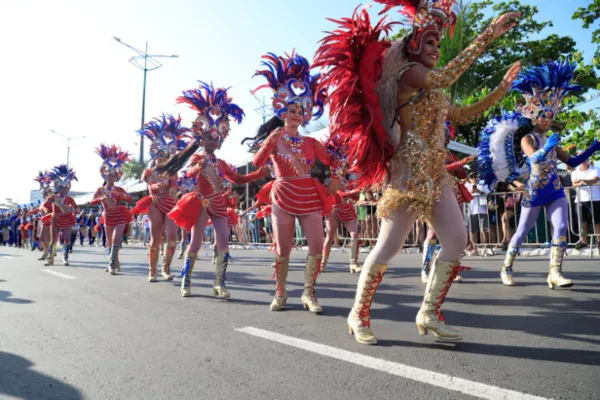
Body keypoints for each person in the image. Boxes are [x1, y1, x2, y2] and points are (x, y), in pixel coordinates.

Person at [314, 1, 520, 343]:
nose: (436, 49)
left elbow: (463, 114)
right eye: (430, 42)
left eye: (439, 44)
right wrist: (488, 35)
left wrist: (500, 91)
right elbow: (444, 75)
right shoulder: (408, 75)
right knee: (388, 246)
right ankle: (358, 313)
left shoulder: (434, 89)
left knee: (456, 240)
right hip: (408, 173)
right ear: (413, 44)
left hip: (436, 175)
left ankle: (429, 312)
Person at [478, 61, 600, 288]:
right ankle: (506, 267)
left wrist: (593, 147)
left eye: (550, 114)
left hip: (554, 189)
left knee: (562, 227)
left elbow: (571, 161)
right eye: (543, 114)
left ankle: (555, 273)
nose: (547, 118)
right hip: (535, 190)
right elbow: (533, 158)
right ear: (534, 116)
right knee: (522, 230)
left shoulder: (550, 139)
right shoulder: (529, 139)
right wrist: (545, 148)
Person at [241, 52, 341, 313]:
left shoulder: (311, 143)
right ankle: (281, 292)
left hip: (308, 195)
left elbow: (334, 160)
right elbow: (257, 163)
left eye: (300, 111)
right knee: (283, 249)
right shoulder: (275, 138)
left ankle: (309, 293)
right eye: (292, 110)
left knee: (317, 245)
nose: (296, 114)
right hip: (283, 194)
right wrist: (271, 142)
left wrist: (336, 177)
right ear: (282, 111)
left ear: (306, 114)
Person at [156, 81, 268, 298]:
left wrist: (258, 173)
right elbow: (187, 174)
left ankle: (219, 283)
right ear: (202, 138)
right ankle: (186, 281)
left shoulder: (221, 163)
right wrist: (199, 166)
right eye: (209, 137)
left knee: (224, 242)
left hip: (218, 205)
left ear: (220, 141)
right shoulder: (197, 158)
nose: (213, 141)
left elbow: (238, 177)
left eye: (217, 138)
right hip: (200, 204)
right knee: (196, 243)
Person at [131, 114, 189, 282]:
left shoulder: (172, 172)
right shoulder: (149, 172)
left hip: (170, 204)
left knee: (172, 235)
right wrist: (158, 186)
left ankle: (166, 268)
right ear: (154, 154)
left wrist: (175, 191)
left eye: (166, 154)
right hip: (155, 203)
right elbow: (150, 186)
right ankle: (152, 270)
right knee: (156, 237)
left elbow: (174, 187)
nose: (162, 157)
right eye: (160, 154)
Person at [421, 123, 475, 282]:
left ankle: (450, 270)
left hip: (455, 194)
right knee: (433, 232)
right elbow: (439, 170)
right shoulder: (430, 153)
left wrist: (471, 166)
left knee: (456, 235)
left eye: (447, 134)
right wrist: (462, 161)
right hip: (437, 194)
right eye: (442, 133)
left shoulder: (451, 154)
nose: (446, 136)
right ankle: (426, 269)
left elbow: (461, 173)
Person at [90, 144, 133, 275]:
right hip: (108, 217)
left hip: (120, 216)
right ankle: (115, 260)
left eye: (113, 176)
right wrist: (101, 198)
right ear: (104, 176)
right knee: (110, 243)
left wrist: (121, 196)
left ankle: (112, 264)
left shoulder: (119, 189)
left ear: (116, 177)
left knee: (116, 239)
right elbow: (91, 201)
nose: (111, 178)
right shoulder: (100, 190)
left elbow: (129, 198)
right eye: (109, 175)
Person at [321, 138, 362, 274]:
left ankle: (353, 263)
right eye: (342, 166)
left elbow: (355, 198)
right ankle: (322, 262)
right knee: (330, 238)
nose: (344, 168)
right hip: (333, 210)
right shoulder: (334, 179)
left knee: (355, 233)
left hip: (346, 209)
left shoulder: (349, 181)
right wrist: (350, 193)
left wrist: (356, 192)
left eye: (346, 166)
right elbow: (339, 192)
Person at [43, 165, 79, 266]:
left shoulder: (70, 198)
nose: (63, 188)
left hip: (67, 219)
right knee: (54, 239)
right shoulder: (53, 197)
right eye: (61, 187)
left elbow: (76, 208)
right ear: (57, 186)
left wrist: (75, 211)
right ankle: (51, 258)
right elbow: (45, 205)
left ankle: (65, 257)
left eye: (65, 186)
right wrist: (47, 211)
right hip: (56, 218)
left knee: (67, 239)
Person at [571, 158, 600, 250]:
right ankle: (583, 241)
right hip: (580, 199)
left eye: (584, 159)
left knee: (597, 221)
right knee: (581, 221)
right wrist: (585, 181)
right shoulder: (574, 172)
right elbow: (574, 183)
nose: (582, 161)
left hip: (595, 198)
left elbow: (595, 180)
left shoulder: (595, 169)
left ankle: (599, 241)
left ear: (588, 160)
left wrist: (583, 181)